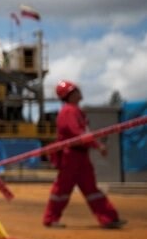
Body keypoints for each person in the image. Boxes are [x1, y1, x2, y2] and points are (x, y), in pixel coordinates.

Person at [43, 80, 126, 229]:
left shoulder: (76, 111)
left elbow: (82, 135)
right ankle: (50, 219)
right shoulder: (68, 111)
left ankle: (108, 218)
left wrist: (95, 144)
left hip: (80, 155)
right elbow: (77, 134)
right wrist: (97, 145)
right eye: (75, 90)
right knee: (62, 189)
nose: (79, 92)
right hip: (71, 156)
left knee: (91, 189)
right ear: (69, 95)